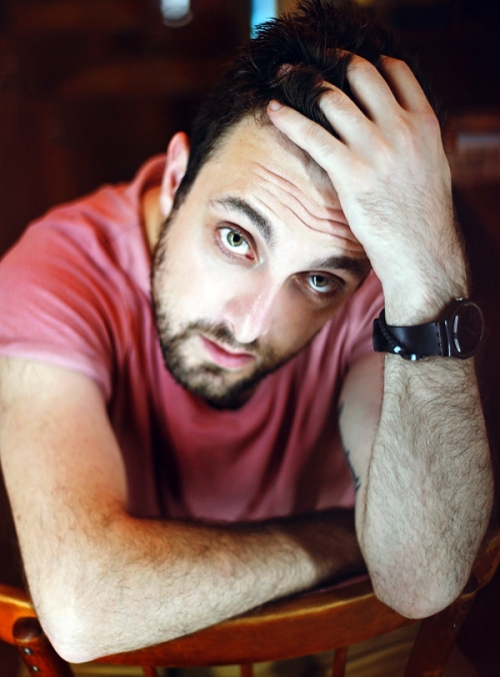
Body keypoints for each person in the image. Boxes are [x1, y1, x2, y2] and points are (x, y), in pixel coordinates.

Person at [0, 0, 493, 665]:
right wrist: (351, 540)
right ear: (176, 180)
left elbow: (419, 581)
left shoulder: (383, 294)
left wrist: (429, 272)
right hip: (145, 643)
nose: (250, 325)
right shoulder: (54, 271)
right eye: (236, 238)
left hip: (344, 635)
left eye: (318, 279)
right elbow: (85, 608)